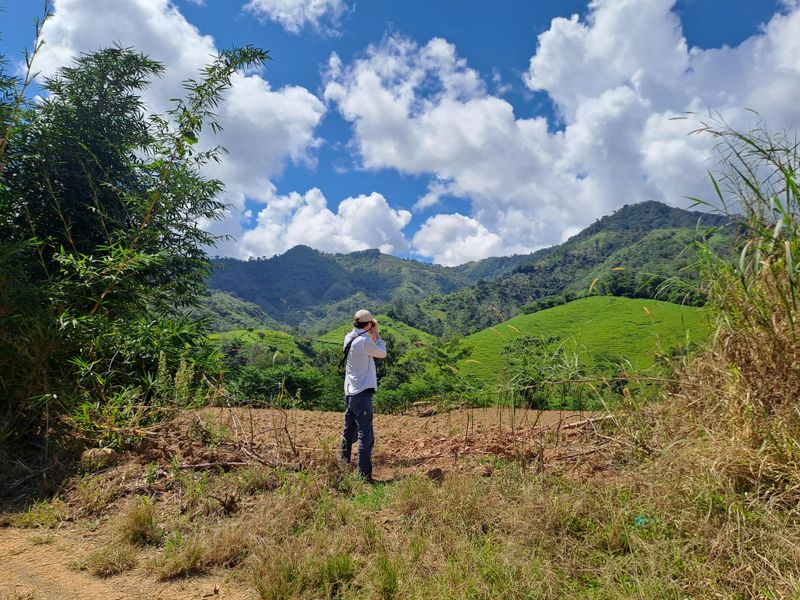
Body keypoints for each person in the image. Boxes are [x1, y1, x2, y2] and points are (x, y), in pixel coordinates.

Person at [340, 308, 386, 482]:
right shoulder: (364, 342)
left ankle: (342, 467)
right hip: (362, 394)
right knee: (365, 434)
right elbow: (382, 353)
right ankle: (364, 474)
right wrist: (377, 336)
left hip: (349, 394)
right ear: (368, 324)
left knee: (347, 431)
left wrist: (370, 332)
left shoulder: (348, 337)